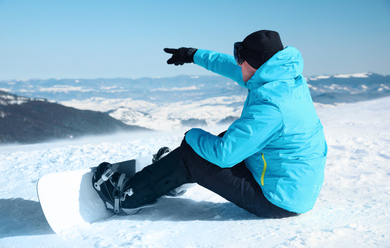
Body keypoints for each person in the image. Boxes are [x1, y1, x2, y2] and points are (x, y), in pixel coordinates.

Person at [92, 30, 327, 218]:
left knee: (194, 152)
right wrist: (193, 54)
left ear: (254, 63)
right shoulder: (284, 78)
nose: (238, 64)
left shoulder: (271, 106)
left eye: (240, 59)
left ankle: (125, 198)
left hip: (277, 200)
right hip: (293, 185)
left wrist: (191, 134)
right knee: (226, 138)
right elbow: (232, 68)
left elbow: (225, 156)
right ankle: (172, 179)